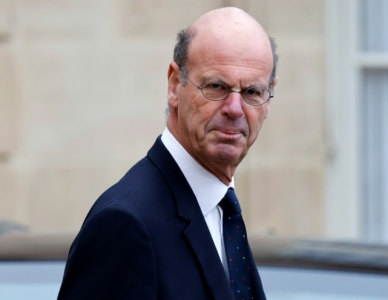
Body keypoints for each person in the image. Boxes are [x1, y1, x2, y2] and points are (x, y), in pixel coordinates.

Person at [58, 7, 278, 300]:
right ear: (175, 85)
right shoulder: (124, 225)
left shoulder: (222, 212)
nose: (235, 109)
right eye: (216, 87)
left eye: (252, 92)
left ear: (269, 97)